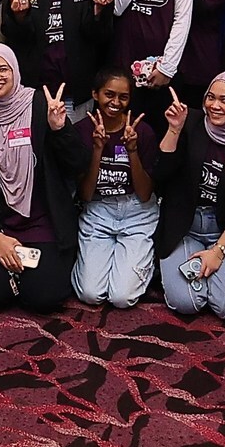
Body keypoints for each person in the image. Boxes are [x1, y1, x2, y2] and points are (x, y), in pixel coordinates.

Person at [0, 43, 82, 312]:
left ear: (15, 71)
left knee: (45, 298)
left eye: (3, 69)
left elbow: (77, 164)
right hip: (0, 223)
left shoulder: (40, 105)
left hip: (42, 220)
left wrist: (59, 129)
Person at [151, 70, 225, 321]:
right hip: (185, 226)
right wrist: (174, 130)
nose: (214, 106)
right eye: (210, 97)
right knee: (187, 303)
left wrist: (219, 251)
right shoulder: (188, 121)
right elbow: (160, 175)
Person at [70, 67, 161, 309]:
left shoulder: (142, 131)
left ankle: (141, 260)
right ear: (95, 94)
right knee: (90, 294)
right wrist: (97, 149)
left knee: (121, 298)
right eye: (109, 94)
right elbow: (86, 194)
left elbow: (144, 194)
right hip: (98, 208)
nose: (115, 102)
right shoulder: (80, 131)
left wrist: (132, 150)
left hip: (136, 210)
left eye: (123, 97)